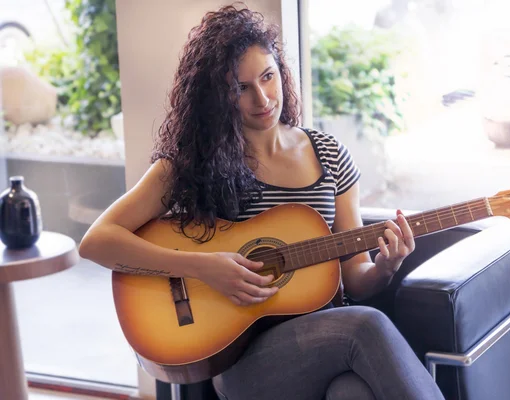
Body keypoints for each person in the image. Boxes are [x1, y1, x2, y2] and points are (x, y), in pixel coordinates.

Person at [79, 4, 445, 400]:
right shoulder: (191, 165)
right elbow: (97, 241)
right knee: (366, 326)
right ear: (218, 97)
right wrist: (202, 267)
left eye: (268, 77)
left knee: (351, 392)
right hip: (243, 360)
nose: (263, 98)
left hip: (327, 338)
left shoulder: (329, 155)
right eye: (241, 88)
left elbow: (356, 278)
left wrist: (386, 267)